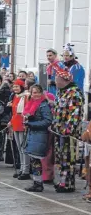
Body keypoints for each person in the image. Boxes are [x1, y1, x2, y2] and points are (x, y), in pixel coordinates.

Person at [51, 64, 84, 193]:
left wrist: (67, 130)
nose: (55, 81)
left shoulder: (74, 94)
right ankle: (63, 181)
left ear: (64, 80)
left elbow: (76, 114)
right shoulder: (62, 93)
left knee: (68, 159)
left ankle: (68, 184)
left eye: (56, 78)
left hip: (68, 134)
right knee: (61, 158)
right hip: (59, 131)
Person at [23, 85, 53, 192]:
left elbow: (48, 121)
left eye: (37, 92)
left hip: (40, 135)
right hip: (34, 135)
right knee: (34, 160)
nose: (34, 95)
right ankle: (37, 182)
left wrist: (31, 124)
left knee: (36, 160)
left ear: (41, 93)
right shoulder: (32, 104)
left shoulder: (43, 105)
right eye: (33, 93)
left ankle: (38, 184)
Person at [9, 79, 30, 179]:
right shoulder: (15, 96)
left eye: (17, 86)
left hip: (22, 124)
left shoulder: (26, 96)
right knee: (19, 148)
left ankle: (26, 170)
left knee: (23, 148)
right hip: (15, 123)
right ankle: (21, 169)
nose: (15, 88)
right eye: (14, 87)